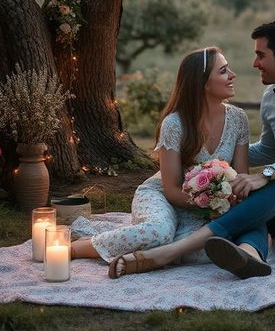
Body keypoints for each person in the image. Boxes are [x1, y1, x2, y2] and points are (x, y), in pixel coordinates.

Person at [111, 18, 275, 279]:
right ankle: (250, 255)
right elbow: (267, 150)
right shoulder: (271, 97)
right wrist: (207, 158)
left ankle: (169, 252)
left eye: (261, 55)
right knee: (242, 195)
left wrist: (268, 174)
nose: (254, 63)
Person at [70, 46, 249, 273]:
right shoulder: (175, 124)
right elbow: (172, 190)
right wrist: (209, 202)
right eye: (223, 71)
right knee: (160, 233)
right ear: (202, 82)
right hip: (163, 194)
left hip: (202, 208)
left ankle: (141, 245)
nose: (232, 75)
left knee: (204, 250)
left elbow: (241, 178)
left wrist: (223, 201)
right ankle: (77, 248)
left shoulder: (238, 119)